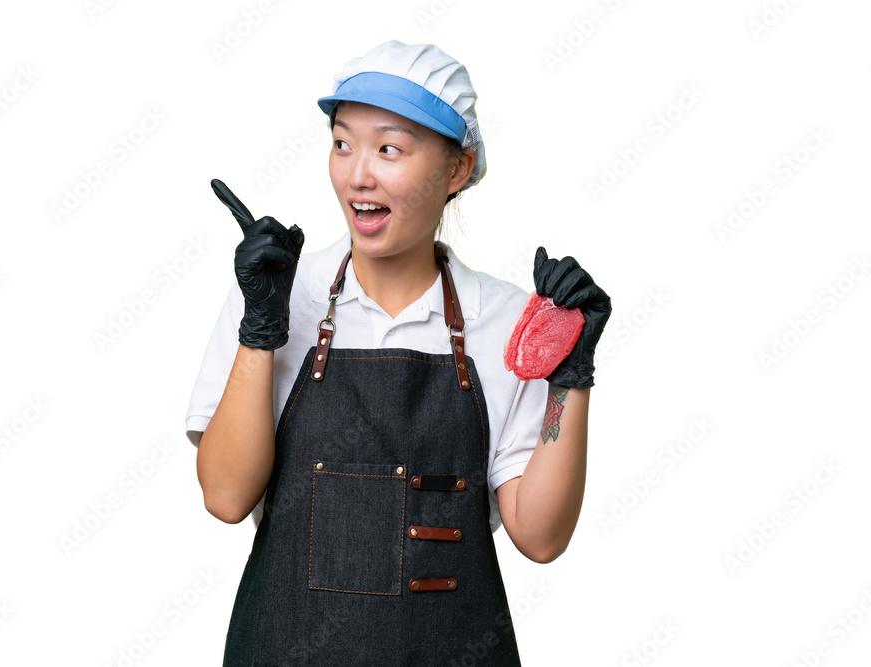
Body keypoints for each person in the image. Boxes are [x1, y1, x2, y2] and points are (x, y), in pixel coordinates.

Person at [186, 39, 612, 666]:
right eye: (342, 142)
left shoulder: (504, 321)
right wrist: (260, 331)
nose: (358, 173)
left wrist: (570, 377)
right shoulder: (278, 292)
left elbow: (540, 536)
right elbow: (225, 497)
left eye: (389, 148)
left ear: (457, 169)